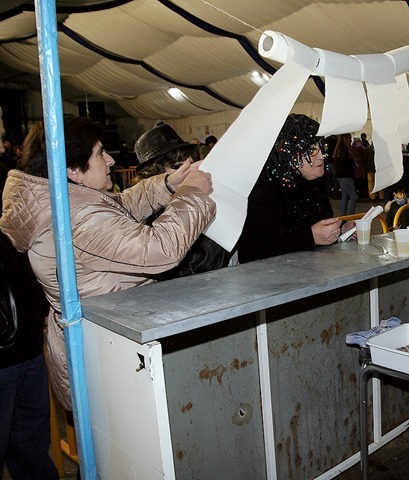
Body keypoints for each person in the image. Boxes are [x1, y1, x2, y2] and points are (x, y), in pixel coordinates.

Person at [0, 116, 214, 412]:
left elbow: (118, 208)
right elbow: (158, 249)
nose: (111, 160)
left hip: (104, 342)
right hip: (109, 353)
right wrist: (194, 195)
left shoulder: (65, 202)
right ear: (74, 171)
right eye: (100, 153)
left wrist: (167, 185)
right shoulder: (77, 218)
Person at [234, 114, 353, 263]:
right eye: (312, 150)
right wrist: (310, 237)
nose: (322, 156)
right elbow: (252, 251)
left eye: (321, 147)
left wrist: (340, 230)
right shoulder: (265, 189)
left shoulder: (314, 179)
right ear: (290, 154)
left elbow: (318, 223)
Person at [133, 123, 232, 277]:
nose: (189, 171)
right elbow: (190, 268)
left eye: (190, 164)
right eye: (179, 166)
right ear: (155, 172)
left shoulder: (194, 197)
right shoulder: (150, 215)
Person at [1, 231, 58, 479]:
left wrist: (41, 309)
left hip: (29, 345)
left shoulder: (10, 210)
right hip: (6, 355)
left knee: (31, 443)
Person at [332, 133, 358, 215]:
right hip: (346, 175)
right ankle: (350, 215)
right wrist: (353, 163)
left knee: (345, 195)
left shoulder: (339, 148)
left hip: (340, 175)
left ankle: (344, 215)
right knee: (353, 196)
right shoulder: (345, 148)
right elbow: (345, 162)